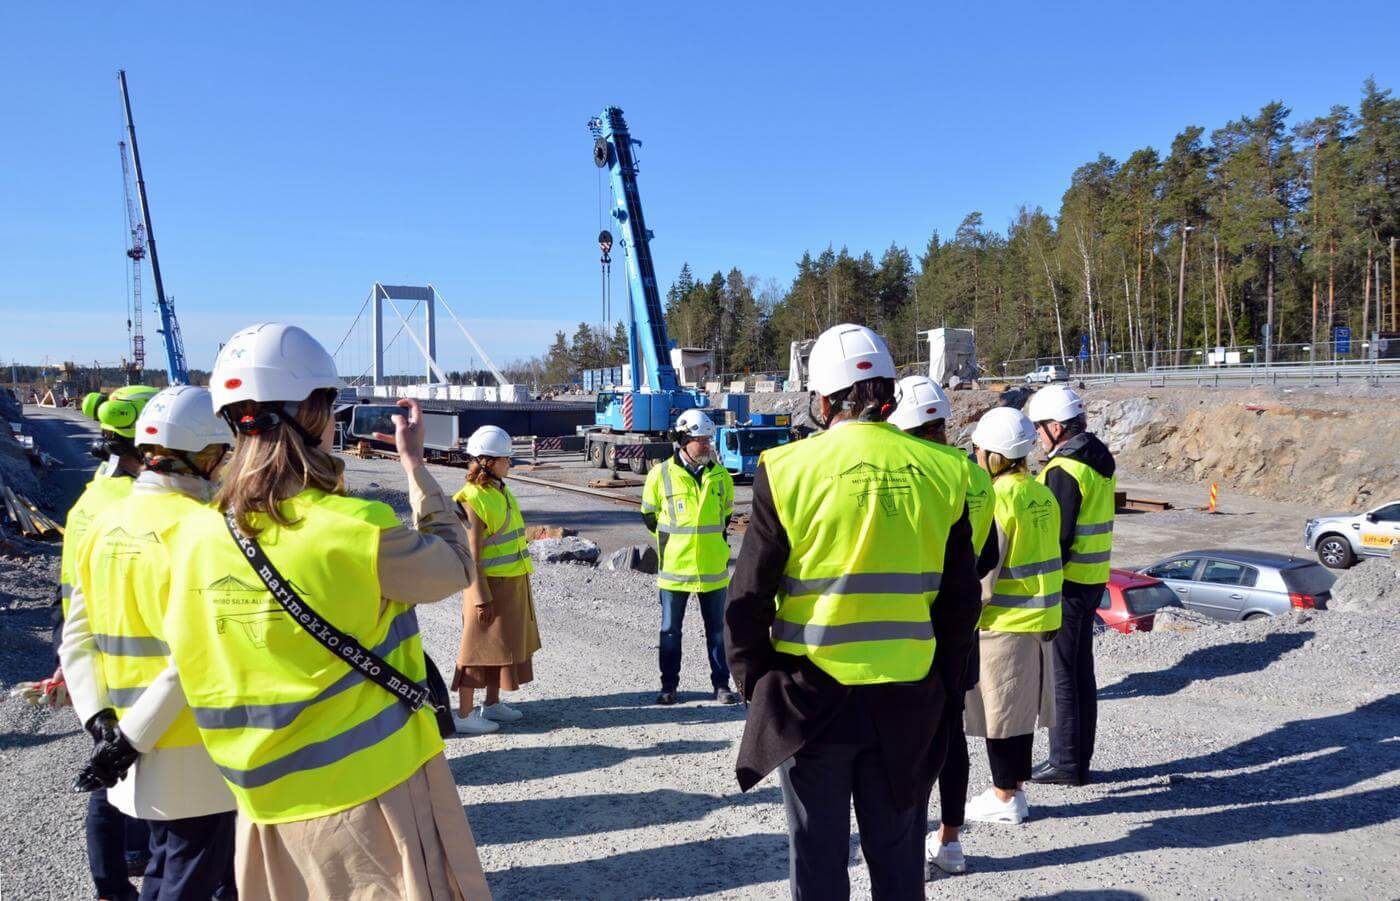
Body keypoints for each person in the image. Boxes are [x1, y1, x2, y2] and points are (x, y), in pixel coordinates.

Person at [145, 323, 491, 900]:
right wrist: (414, 467)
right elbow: (456, 564)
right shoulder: (353, 530)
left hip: (260, 811)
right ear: (311, 415)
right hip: (371, 797)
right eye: (329, 402)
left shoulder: (191, 538)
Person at [725, 323, 982, 899]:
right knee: (897, 858)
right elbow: (961, 601)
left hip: (812, 697)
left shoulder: (787, 469)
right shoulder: (944, 471)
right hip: (910, 698)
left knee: (816, 856)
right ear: (888, 391)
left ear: (821, 399)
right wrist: (946, 681)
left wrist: (755, 681)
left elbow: (749, 595)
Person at [63, 385, 239, 899]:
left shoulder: (104, 520)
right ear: (205, 456)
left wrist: (100, 721)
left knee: (164, 869)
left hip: (120, 734)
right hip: (191, 745)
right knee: (189, 877)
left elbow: (78, 634)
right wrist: (132, 738)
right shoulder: (205, 531)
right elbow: (196, 653)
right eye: (222, 455)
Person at [888, 375, 994, 876]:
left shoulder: (912, 472)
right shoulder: (971, 473)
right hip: (962, 627)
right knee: (951, 734)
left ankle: (904, 848)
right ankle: (950, 842)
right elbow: (987, 553)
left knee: (907, 739)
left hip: (912, 624)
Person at [60, 384, 158, 900]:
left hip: (96, 656)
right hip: (145, 663)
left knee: (109, 770)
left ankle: (113, 886)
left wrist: (69, 663)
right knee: (132, 775)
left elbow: (72, 593)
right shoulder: (144, 506)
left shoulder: (92, 498)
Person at [961, 407, 1063, 828]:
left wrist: (966, 608)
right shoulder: (1041, 492)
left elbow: (988, 569)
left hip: (1004, 624)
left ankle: (1005, 796)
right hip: (1040, 620)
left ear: (993, 455)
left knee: (1000, 713)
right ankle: (1013, 789)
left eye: (979, 450)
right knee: (1019, 712)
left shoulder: (1000, 498)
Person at [1025, 384, 1116, 787]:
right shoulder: (1096, 459)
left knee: (1062, 676)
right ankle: (1078, 759)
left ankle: (1065, 762)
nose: (1036, 437)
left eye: (1039, 428)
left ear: (1057, 427)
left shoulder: (1064, 469)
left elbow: (1054, 539)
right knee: (1080, 673)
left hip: (1068, 584)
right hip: (1092, 579)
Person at [640, 408, 739, 705]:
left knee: (718, 633)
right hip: (675, 571)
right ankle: (668, 686)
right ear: (684, 440)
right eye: (701, 439)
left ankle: (721, 686)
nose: (707, 444)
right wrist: (670, 544)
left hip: (712, 570)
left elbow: (726, 516)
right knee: (670, 631)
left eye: (709, 438)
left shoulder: (721, 476)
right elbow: (649, 515)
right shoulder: (660, 475)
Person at [450, 425, 542, 735]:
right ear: (487, 461)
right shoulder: (471, 499)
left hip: (511, 582)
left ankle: (491, 704)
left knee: (502, 648)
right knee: (476, 650)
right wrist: (480, 597)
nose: (510, 464)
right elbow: (470, 556)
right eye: (505, 459)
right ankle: (463, 714)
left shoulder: (499, 490)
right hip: (488, 586)